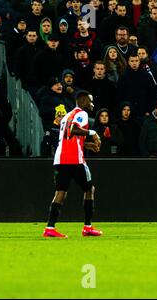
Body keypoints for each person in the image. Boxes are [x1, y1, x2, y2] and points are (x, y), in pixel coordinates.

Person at [43, 90, 103, 238]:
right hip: (74, 160)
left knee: (60, 193)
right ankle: (87, 227)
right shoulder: (81, 114)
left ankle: (49, 228)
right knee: (90, 189)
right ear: (83, 102)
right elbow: (74, 130)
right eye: (90, 101)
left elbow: (69, 137)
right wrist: (93, 133)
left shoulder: (67, 116)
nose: (92, 104)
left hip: (60, 159)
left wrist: (88, 145)